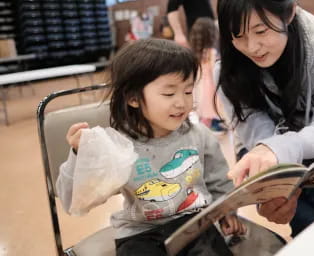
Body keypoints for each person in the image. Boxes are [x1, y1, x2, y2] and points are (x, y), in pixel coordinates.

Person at [56, 39, 245, 256]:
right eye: (168, 93)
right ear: (133, 98)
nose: (181, 102)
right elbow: (73, 198)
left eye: (187, 91)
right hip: (140, 233)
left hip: (195, 223)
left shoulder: (198, 135)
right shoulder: (117, 146)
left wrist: (227, 212)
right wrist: (80, 156)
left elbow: (219, 181)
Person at [214, 0, 314, 237]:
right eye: (238, 36)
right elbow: (254, 131)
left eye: (261, 31)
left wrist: (283, 147)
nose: (252, 47)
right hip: (260, 147)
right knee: (300, 217)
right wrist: (275, 170)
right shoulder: (227, 68)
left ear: (288, 13)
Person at [189, 17, 226, 131]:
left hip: (199, 84)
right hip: (211, 84)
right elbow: (213, 70)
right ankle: (209, 125)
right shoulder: (211, 52)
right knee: (212, 106)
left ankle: (209, 123)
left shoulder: (194, 52)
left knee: (204, 108)